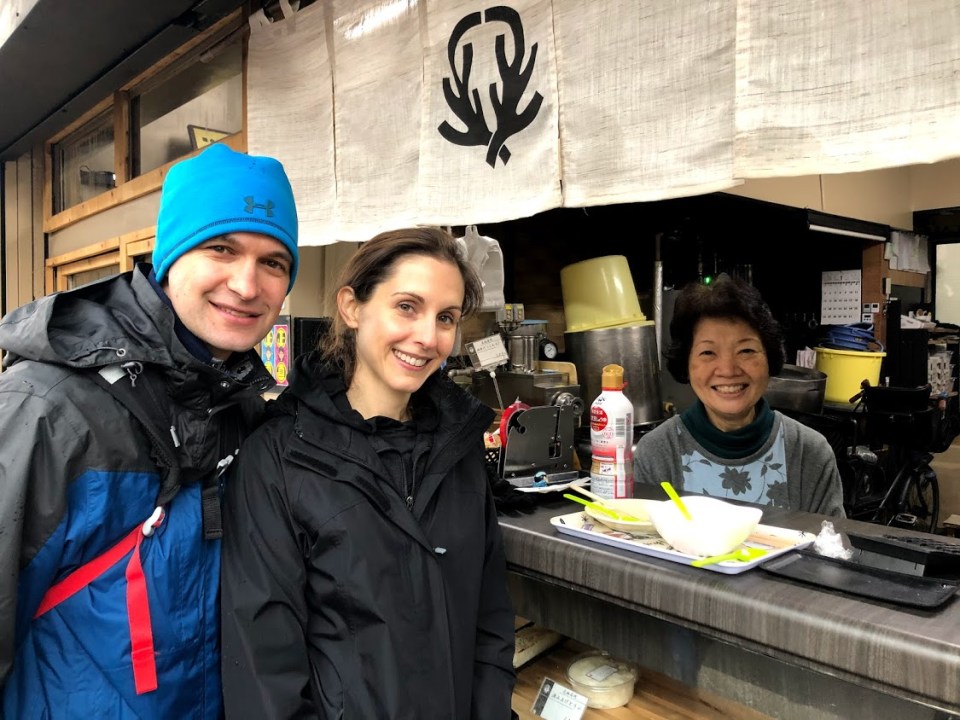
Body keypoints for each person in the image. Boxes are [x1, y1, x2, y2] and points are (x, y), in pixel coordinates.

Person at [0, 142, 299, 718]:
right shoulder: (48, 409)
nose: (246, 284)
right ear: (169, 257)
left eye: (274, 262)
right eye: (221, 248)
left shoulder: (240, 411)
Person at [220, 227, 517, 719]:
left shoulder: (457, 448)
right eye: (407, 306)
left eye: (445, 317)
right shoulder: (278, 456)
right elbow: (263, 665)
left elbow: (488, 622)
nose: (427, 337)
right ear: (352, 307)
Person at [635, 273, 845, 517]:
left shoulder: (808, 453)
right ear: (686, 363)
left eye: (746, 350)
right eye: (708, 353)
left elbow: (831, 549)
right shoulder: (658, 451)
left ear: (769, 358)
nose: (728, 370)